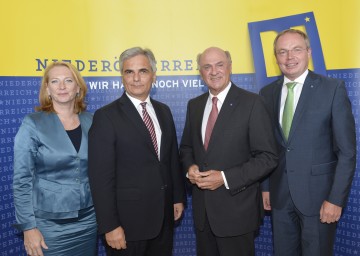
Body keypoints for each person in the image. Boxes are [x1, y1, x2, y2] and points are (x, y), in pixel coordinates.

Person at [260, 29, 356, 256]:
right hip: (280, 198)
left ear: (309, 53)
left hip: (320, 199)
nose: (289, 57)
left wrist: (335, 199)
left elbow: (347, 152)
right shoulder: (267, 93)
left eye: (296, 50)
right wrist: (265, 187)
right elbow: (266, 147)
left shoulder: (332, 89)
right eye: (282, 52)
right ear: (276, 58)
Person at [179, 46, 278, 256]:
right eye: (207, 67)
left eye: (219, 65)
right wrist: (191, 168)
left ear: (230, 67)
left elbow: (268, 157)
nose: (213, 71)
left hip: (237, 213)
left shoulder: (252, 103)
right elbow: (187, 147)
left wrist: (224, 177)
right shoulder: (194, 105)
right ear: (200, 72)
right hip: (203, 215)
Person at [88, 47, 185, 256]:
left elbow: (170, 160)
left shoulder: (164, 111)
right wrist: (109, 225)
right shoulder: (106, 117)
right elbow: (100, 178)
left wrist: (177, 197)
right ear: (122, 77)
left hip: (163, 220)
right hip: (126, 225)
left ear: (154, 75)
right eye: (129, 72)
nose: (136, 78)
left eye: (143, 71)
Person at [13, 61, 97, 256]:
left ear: (78, 88)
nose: (61, 86)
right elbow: (22, 180)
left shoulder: (92, 121)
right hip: (48, 225)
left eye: (68, 80)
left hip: (89, 220)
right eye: (55, 81)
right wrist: (28, 227)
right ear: (47, 89)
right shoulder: (32, 124)